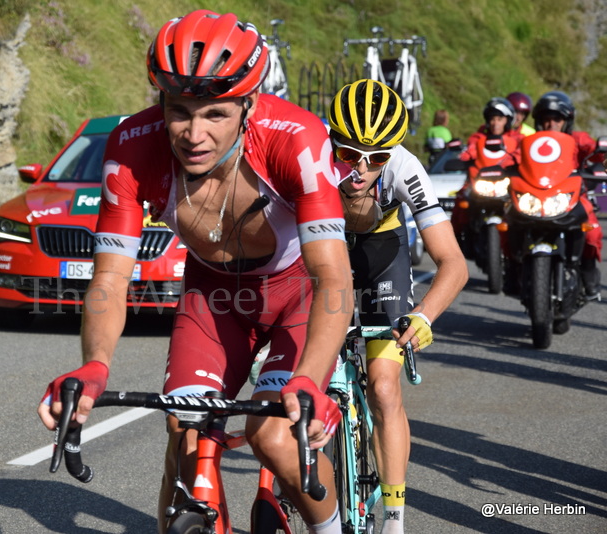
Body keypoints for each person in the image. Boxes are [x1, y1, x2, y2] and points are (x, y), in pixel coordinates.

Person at [38, 10, 355, 533]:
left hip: (296, 294)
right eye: (180, 110)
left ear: (248, 105)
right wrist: (95, 365)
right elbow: (111, 278)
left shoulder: (294, 138)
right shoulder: (132, 148)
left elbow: (332, 280)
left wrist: (308, 380)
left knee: (275, 438)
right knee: (185, 430)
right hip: (212, 299)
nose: (193, 134)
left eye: (215, 114)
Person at [327, 79, 468, 534]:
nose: (362, 169)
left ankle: (394, 517)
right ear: (331, 141)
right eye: (349, 154)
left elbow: (453, 262)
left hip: (381, 256)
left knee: (384, 390)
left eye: (377, 158)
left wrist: (424, 314)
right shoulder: (309, 157)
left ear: (393, 153)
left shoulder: (405, 167)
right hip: (322, 248)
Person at [529, 90, 602, 299]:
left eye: (557, 119)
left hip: (573, 197)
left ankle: (588, 272)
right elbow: (514, 156)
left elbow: (594, 149)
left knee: (593, 232)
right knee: (508, 224)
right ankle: (513, 270)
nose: (551, 124)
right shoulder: (531, 142)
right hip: (535, 198)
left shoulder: (578, 138)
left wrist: (603, 154)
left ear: (566, 121)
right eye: (546, 119)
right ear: (539, 121)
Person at [451, 97, 522, 242]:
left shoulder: (518, 139)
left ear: (507, 120)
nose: (495, 123)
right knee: (461, 199)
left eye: (499, 119)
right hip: (481, 183)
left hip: (507, 184)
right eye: (492, 119)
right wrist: (463, 157)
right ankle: (455, 239)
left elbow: (523, 154)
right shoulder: (478, 138)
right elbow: (471, 150)